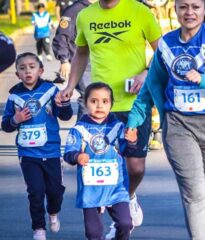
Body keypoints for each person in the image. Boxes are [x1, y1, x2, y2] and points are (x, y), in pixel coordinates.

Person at [125, 0, 205, 238]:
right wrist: (134, 120)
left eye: (195, 6)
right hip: (178, 125)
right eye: (184, 7)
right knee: (194, 193)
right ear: (176, 10)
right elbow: (150, 88)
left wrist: (204, 79)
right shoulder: (166, 44)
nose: (189, 12)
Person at [60, 0, 162, 233]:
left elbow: (162, 52)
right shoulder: (86, 15)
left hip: (134, 102)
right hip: (99, 105)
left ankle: (129, 196)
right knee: (94, 160)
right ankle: (111, 215)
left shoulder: (139, 11)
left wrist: (146, 71)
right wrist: (70, 85)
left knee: (135, 167)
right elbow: (81, 53)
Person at [1, 52, 73, 240]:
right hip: (28, 153)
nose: (27, 71)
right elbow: (6, 125)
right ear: (17, 74)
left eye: (32, 67)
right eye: (22, 68)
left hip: (51, 151)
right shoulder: (14, 97)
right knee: (35, 191)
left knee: (55, 191)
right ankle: (38, 228)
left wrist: (64, 104)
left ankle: (54, 212)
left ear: (41, 70)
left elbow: (65, 116)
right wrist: (15, 119)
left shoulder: (51, 90)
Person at [63, 82, 133, 240]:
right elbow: (68, 153)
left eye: (105, 101)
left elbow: (128, 151)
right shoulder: (79, 129)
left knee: (125, 223)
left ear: (111, 104)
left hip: (116, 187)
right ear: (85, 103)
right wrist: (77, 156)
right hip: (91, 189)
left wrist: (132, 141)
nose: (99, 105)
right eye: (94, 101)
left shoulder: (119, 127)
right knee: (93, 233)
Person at [52, 0, 95, 121]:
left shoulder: (100, 7)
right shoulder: (74, 10)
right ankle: (82, 132)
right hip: (80, 61)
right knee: (88, 95)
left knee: (99, 95)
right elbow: (61, 36)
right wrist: (64, 60)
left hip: (98, 61)